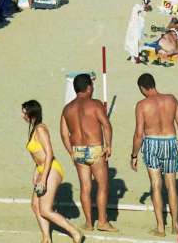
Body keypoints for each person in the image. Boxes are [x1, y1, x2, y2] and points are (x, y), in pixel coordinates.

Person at [130, 73, 178, 237]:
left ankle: (161, 227)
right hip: (170, 141)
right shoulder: (171, 99)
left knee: (156, 184)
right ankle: (175, 225)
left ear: (142, 88)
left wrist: (134, 155)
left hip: (152, 143)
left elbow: (139, 134)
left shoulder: (142, 105)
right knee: (171, 185)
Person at [59, 74, 116, 233]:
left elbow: (64, 134)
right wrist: (109, 145)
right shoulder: (95, 104)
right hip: (95, 149)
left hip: (78, 150)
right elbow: (106, 125)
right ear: (89, 87)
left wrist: (70, 151)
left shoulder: (67, 108)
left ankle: (89, 223)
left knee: (85, 187)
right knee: (103, 185)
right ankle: (102, 222)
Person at [22, 100, 83, 243]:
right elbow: (39, 155)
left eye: (24, 112)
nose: (22, 115)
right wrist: (36, 171)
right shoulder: (34, 129)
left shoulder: (40, 129)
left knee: (45, 209)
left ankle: (75, 233)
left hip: (51, 169)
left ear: (31, 113)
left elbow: (49, 153)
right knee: (35, 205)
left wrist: (43, 179)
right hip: (42, 169)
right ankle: (46, 238)